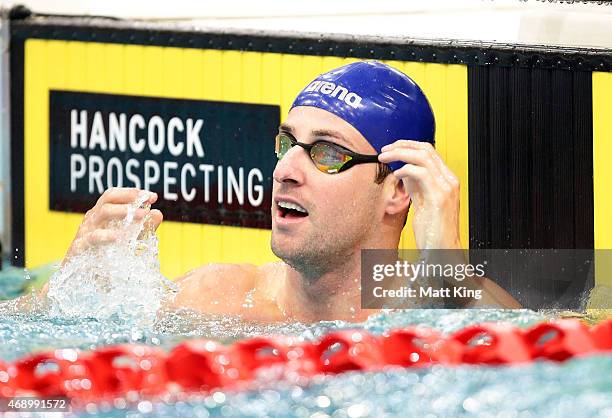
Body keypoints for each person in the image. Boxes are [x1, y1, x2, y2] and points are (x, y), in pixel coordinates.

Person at [52, 61, 521, 322]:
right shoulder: (218, 298)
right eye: (288, 143)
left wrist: (451, 272)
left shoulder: (442, 308)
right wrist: (71, 286)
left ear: (397, 190)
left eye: (328, 153)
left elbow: (562, 361)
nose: (286, 170)